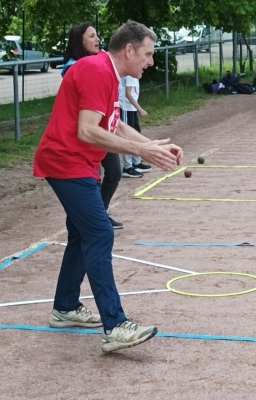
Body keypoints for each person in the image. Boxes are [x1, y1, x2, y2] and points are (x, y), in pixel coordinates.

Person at [33, 20, 183, 353]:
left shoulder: (107, 73)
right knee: (100, 233)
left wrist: (151, 145)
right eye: (147, 54)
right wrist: (143, 151)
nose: (151, 62)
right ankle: (114, 325)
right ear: (128, 50)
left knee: (83, 233)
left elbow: (113, 125)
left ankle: (66, 307)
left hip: (80, 165)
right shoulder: (96, 70)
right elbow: (88, 130)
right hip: (65, 163)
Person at [61, 23, 124, 229]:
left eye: (97, 35)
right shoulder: (76, 66)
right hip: (87, 136)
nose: (97, 39)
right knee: (90, 179)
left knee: (114, 171)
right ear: (80, 40)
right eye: (91, 36)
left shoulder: (101, 65)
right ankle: (93, 217)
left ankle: (99, 212)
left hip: (102, 131)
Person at [119, 76, 152, 178]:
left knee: (136, 134)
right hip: (126, 108)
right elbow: (128, 94)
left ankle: (136, 162)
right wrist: (140, 109)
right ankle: (128, 167)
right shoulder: (130, 75)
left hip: (132, 109)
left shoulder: (134, 75)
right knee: (127, 137)